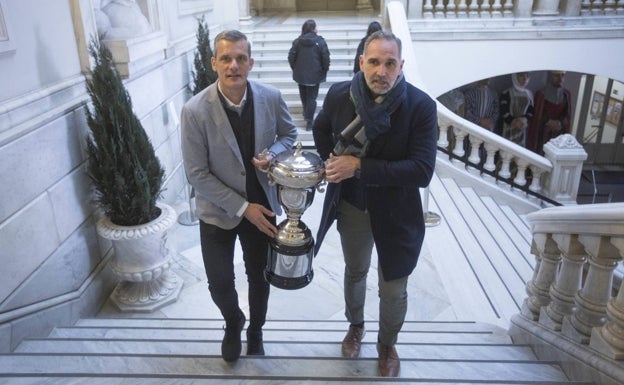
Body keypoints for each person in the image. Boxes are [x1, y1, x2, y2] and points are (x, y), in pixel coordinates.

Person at [312, 31, 437, 377]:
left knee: (393, 286)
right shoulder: (340, 95)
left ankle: (387, 344)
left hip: (397, 213)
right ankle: (356, 326)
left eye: (389, 63)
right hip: (352, 205)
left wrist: (360, 167)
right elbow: (320, 128)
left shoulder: (420, 106)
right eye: (374, 62)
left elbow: (423, 170)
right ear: (361, 63)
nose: (381, 71)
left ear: (400, 66)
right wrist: (331, 161)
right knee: (355, 271)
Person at [181, 30, 297, 362]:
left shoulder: (271, 97)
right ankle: (234, 321)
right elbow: (196, 174)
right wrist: (243, 208)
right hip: (219, 212)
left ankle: (255, 330)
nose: (234, 65)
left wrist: (273, 154)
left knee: (259, 276)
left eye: (241, 58)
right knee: (219, 283)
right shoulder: (194, 110)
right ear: (214, 62)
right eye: (227, 58)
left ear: (251, 62)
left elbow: (289, 134)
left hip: (265, 205)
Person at [288, 19, 330, 131]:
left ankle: (307, 113)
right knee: (312, 98)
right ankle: (309, 121)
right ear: (313, 29)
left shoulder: (297, 42)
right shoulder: (320, 42)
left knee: (304, 95)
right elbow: (325, 57)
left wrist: (295, 69)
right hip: (315, 75)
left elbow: (291, 57)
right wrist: (324, 70)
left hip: (300, 74)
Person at [528, 70, 572, 154]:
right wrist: (548, 121)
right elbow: (537, 116)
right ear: (550, 76)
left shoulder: (566, 94)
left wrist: (560, 123)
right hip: (543, 134)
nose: (560, 78)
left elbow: (567, 115)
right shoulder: (541, 94)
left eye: (562, 75)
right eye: (556, 75)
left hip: (558, 135)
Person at [499, 72, 534, 146]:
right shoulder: (506, 93)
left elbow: (531, 111)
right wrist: (514, 121)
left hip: (522, 128)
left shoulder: (529, 94)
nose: (525, 79)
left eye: (527, 76)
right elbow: (503, 111)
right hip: (508, 129)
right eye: (521, 76)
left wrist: (524, 120)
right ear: (515, 77)